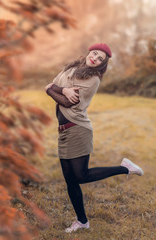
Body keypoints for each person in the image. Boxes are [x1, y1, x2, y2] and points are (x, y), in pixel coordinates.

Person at [45, 43, 144, 233]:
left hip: (78, 129)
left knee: (81, 175)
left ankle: (125, 168)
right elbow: (52, 86)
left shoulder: (93, 79)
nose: (95, 59)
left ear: (102, 65)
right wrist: (62, 89)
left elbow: (65, 100)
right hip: (63, 130)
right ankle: (82, 221)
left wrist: (56, 90)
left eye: (100, 59)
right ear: (90, 51)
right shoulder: (70, 68)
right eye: (95, 54)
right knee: (70, 180)